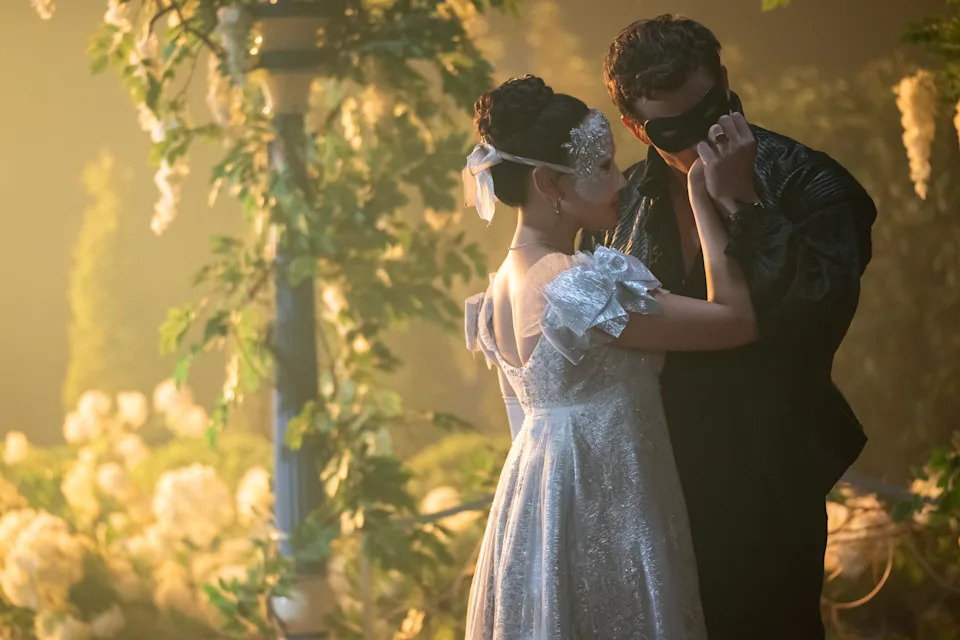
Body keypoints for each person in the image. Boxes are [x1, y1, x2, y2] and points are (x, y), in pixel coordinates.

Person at [590, 15, 878, 639]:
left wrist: (745, 205)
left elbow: (817, 313)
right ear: (635, 127)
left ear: (725, 83)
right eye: (672, 128)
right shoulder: (620, 205)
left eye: (711, 111)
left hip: (768, 470)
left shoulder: (811, 183)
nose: (699, 139)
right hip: (659, 472)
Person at [462, 74, 756, 639]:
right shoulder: (572, 285)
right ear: (550, 182)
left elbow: (521, 422)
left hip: (541, 505)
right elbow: (736, 322)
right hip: (606, 506)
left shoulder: (501, 285)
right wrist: (704, 195)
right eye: (600, 168)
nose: (618, 180)